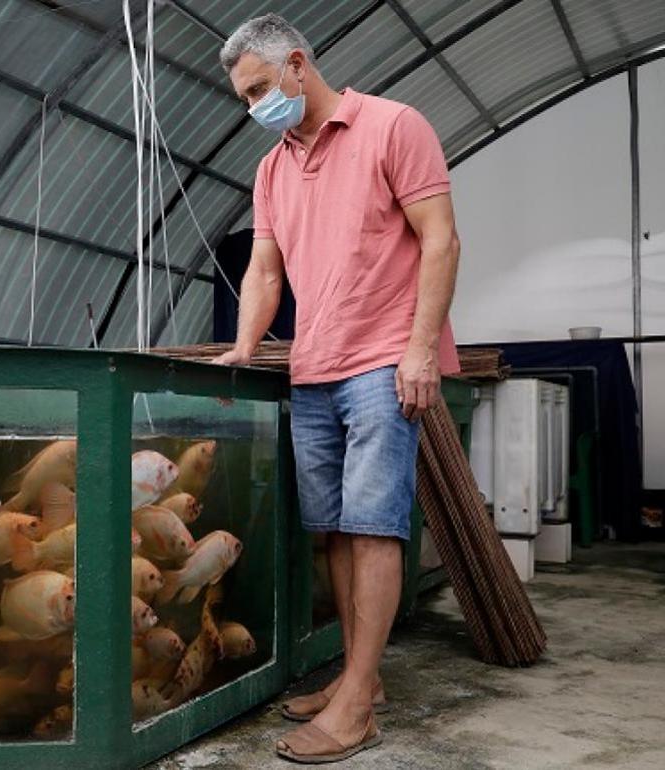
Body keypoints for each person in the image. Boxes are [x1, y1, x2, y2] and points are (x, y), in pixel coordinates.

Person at [212, 13, 461, 764]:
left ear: (296, 64)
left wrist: (419, 353)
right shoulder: (272, 169)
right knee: (333, 532)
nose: (255, 108)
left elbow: (441, 238)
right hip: (312, 368)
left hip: (383, 361)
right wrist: (246, 348)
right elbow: (265, 270)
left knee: (375, 525)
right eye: (244, 99)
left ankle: (355, 706)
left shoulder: (393, 126)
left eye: (259, 89)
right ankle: (365, 678)